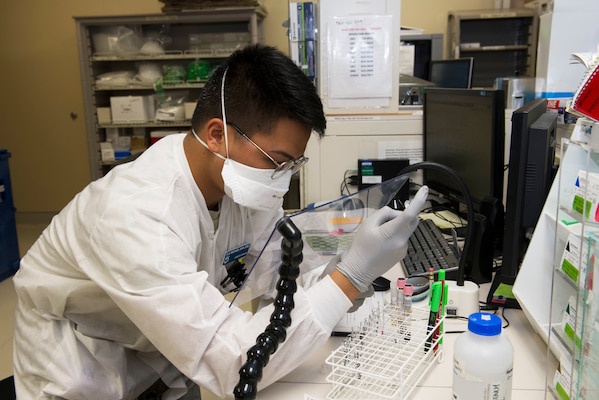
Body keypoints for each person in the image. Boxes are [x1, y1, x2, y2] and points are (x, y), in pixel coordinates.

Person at [12, 44, 428, 399]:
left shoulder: (238, 181)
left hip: (156, 358)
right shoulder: (137, 214)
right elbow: (238, 365)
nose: (282, 179)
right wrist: (352, 275)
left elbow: (273, 263)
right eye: (277, 162)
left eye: (293, 165)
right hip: (80, 371)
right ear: (217, 135)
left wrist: (346, 237)